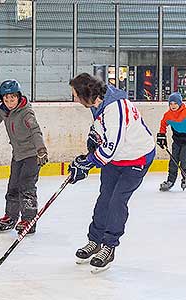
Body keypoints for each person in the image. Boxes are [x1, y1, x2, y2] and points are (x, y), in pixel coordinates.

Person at [68, 73, 155, 273]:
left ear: (86, 94)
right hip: (116, 158)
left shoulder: (116, 109)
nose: (74, 98)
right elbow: (102, 128)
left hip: (137, 157)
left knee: (117, 201)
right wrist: (93, 138)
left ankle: (109, 246)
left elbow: (110, 149)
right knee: (105, 198)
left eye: (75, 95)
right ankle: (95, 240)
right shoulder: (100, 101)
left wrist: (87, 163)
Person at [0, 79, 48, 235]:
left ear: (18, 97)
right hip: (17, 155)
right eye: (6, 99)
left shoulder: (26, 112)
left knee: (27, 186)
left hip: (33, 155)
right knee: (13, 186)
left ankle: (28, 219)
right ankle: (11, 217)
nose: (10, 102)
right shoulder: (3, 111)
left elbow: (35, 131)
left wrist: (41, 150)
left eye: (12, 98)